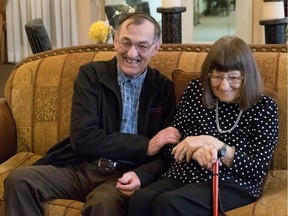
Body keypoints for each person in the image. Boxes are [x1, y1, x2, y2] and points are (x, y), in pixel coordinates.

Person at [4, 13, 181, 216]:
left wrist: (140, 175)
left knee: (104, 204)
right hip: (80, 167)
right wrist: (146, 145)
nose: (132, 53)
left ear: (156, 48)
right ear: (115, 41)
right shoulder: (91, 76)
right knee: (20, 180)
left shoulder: (163, 89)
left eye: (142, 46)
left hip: (123, 175)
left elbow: (167, 153)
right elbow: (83, 138)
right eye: (126, 42)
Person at [117, 36, 279, 216]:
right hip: (184, 173)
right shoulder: (196, 90)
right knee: (141, 200)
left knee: (169, 203)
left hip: (232, 182)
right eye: (217, 77)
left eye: (233, 78)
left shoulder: (264, 106)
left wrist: (215, 145)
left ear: (247, 76)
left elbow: (257, 169)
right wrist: (194, 151)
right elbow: (170, 144)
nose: (224, 86)